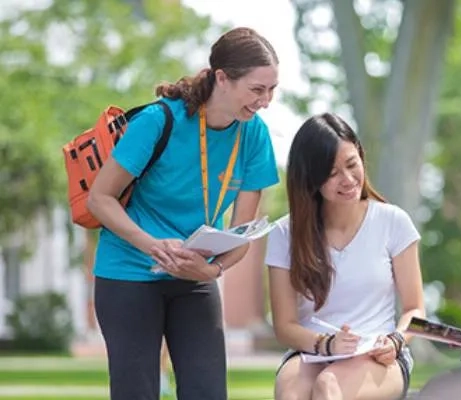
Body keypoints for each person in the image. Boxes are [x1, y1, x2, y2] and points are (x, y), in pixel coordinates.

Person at [87, 27, 280, 400]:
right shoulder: (159, 121)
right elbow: (100, 198)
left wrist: (213, 269)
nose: (266, 101)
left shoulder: (254, 135)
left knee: (207, 393)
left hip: (195, 278)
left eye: (272, 89)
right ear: (222, 78)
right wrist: (152, 246)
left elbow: (243, 233)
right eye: (257, 89)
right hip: (128, 272)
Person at [264, 113, 426, 400]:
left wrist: (396, 341)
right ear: (311, 179)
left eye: (352, 164)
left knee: (329, 388)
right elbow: (285, 326)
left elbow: (415, 309)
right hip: (311, 350)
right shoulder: (283, 233)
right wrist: (328, 345)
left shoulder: (393, 221)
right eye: (332, 173)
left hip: (379, 356)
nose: (348, 179)